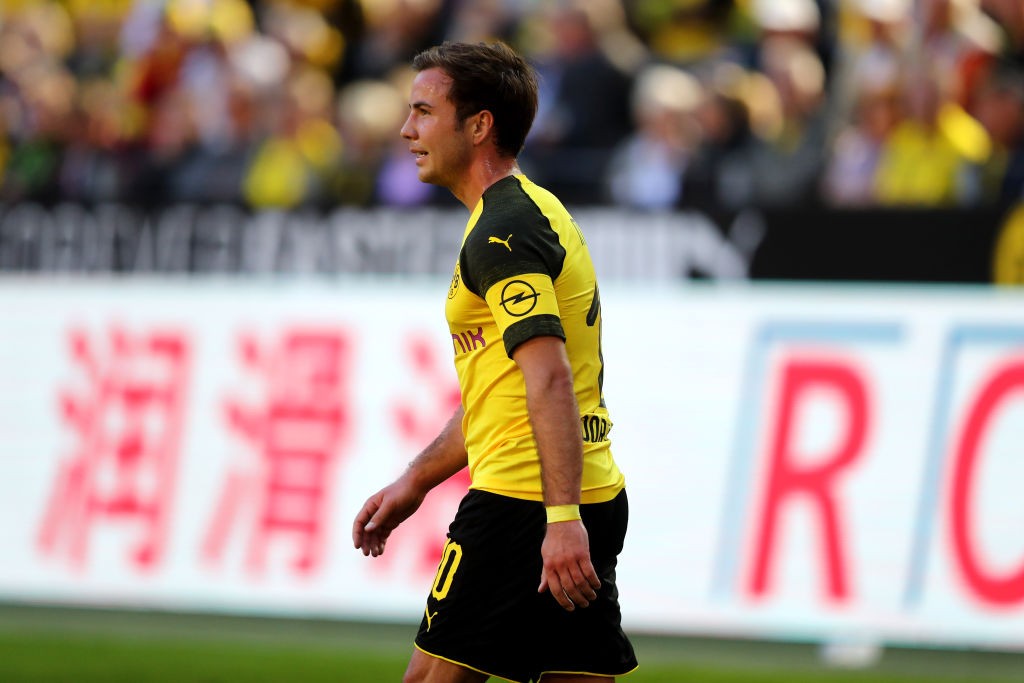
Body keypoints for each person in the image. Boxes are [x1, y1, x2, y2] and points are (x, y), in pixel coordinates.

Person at [351, 41, 637, 683]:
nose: (406, 130)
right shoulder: (533, 210)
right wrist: (418, 479)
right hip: (586, 492)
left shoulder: (502, 234)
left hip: (523, 503)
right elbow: (504, 391)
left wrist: (559, 520)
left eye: (424, 111)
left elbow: (549, 376)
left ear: (479, 125)